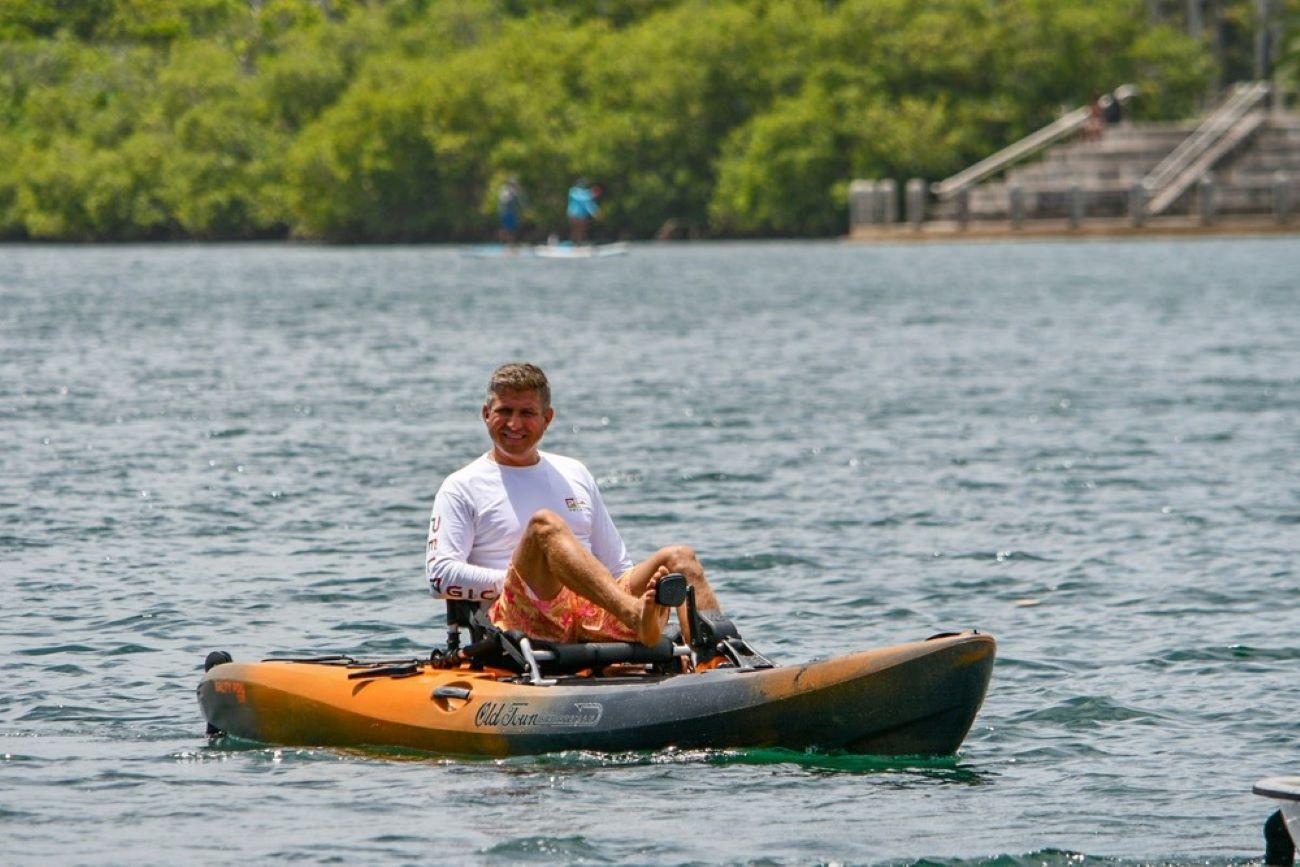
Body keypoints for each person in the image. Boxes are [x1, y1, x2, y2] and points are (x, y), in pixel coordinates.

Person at [426, 363, 723, 647]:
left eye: (527, 413)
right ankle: (634, 616)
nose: (514, 424)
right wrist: (524, 582)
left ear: (547, 418)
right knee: (545, 524)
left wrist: (591, 589)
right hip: (520, 615)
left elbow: (618, 567)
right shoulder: (461, 486)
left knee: (680, 558)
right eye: (504, 411)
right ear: (486, 414)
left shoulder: (574, 472)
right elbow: (439, 577)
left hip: (596, 608)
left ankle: (720, 659)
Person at [566, 179, 599, 244]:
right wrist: (591, 194)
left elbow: (590, 204)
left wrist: (594, 212)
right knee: (574, 230)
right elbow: (582, 197)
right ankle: (574, 244)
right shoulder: (573, 191)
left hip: (582, 215)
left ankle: (579, 244)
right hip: (574, 214)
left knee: (582, 230)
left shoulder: (587, 193)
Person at [497, 176, 524, 246]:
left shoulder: (516, 192)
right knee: (505, 229)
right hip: (506, 213)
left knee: (513, 230)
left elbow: (520, 203)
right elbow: (503, 201)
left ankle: (511, 243)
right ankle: (503, 243)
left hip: (513, 214)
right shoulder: (505, 191)